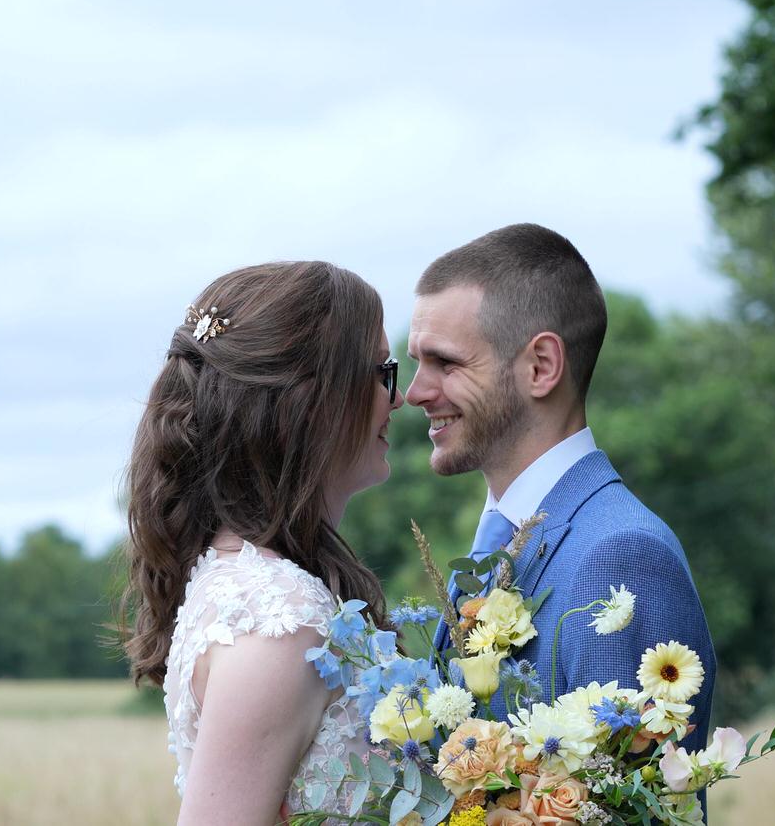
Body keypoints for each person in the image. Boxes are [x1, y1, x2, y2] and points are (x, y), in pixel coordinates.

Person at [408, 224, 716, 751]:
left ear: (541, 366)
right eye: (418, 363)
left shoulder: (621, 557)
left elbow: (628, 792)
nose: (415, 392)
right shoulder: (500, 541)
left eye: (446, 362)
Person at [118, 261, 403, 824]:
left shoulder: (249, 583)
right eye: (382, 372)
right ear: (312, 399)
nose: (399, 399)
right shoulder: (281, 623)